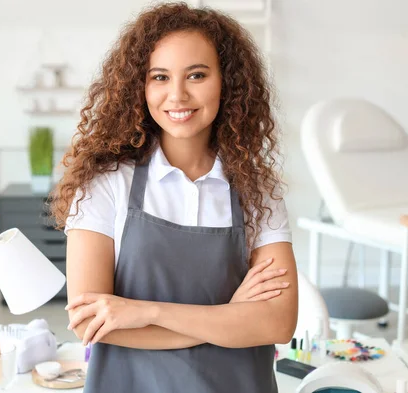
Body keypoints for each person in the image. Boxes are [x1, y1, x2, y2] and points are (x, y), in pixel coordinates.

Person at [49, 2, 298, 392]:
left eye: (196, 75)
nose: (177, 95)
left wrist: (142, 312)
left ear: (226, 82)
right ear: (140, 86)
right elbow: (90, 321)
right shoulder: (106, 185)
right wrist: (229, 318)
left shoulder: (257, 191)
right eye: (160, 77)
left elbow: (278, 323)